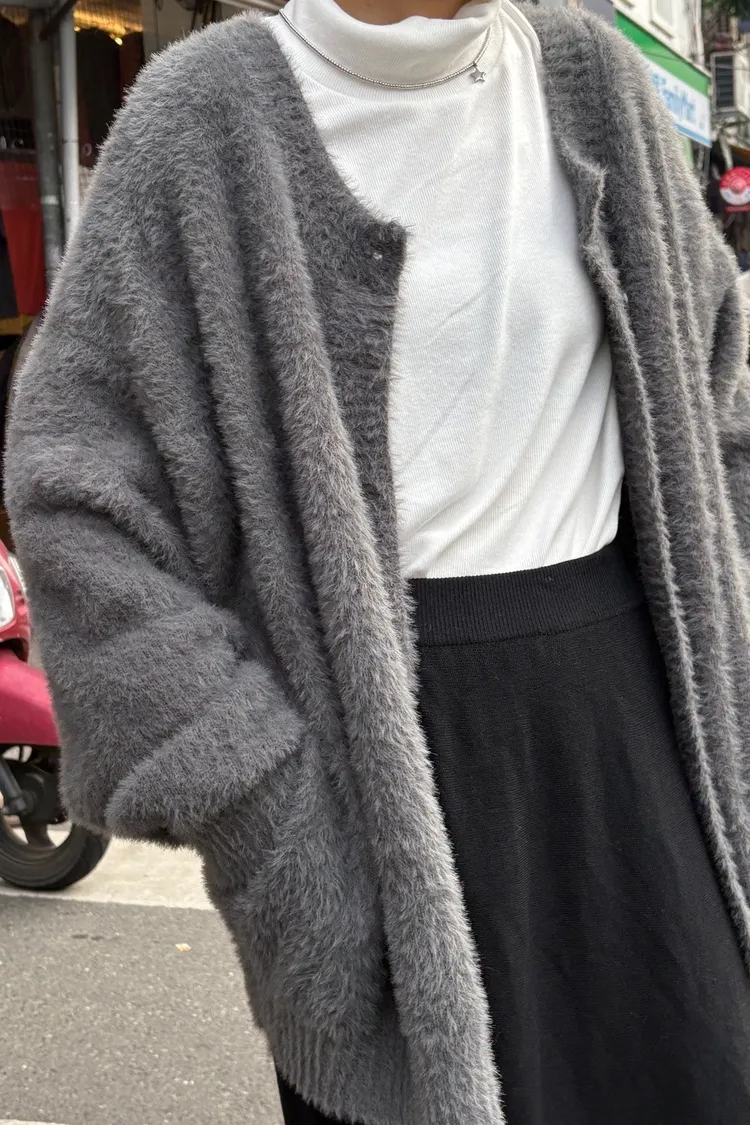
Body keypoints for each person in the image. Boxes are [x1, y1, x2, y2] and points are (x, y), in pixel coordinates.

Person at [6, 0, 750, 1122]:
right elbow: (78, 497)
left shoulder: (595, 79)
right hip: (369, 783)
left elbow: (716, 388)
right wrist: (270, 818)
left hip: (640, 736)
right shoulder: (202, 120)